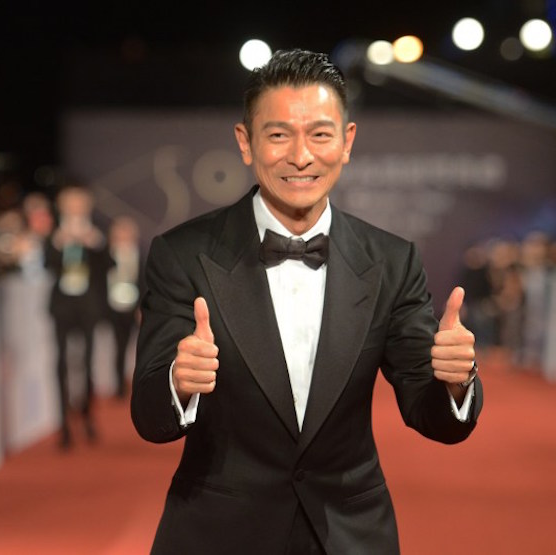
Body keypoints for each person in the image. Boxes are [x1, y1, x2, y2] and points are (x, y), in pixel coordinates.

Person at [130, 48, 483, 554]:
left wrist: (454, 382)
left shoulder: (392, 260)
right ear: (245, 142)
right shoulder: (183, 254)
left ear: (347, 141)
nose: (301, 156)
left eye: (320, 134)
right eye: (278, 135)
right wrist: (178, 383)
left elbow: (433, 414)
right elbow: (149, 416)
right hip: (220, 534)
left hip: (349, 535)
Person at [45, 184, 114, 449]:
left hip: (88, 306)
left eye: (79, 203)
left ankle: (87, 415)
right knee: (61, 363)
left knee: (87, 361)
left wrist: (95, 243)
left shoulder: (96, 231)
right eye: (70, 203)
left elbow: (110, 265)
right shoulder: (54, 233)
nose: (75, 207)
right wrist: (58, 242)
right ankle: (63, 424)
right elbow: (45, 264)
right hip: (62, 306)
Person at [104, 215, 145, 398]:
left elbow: (144, 283)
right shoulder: (107, 255)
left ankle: (139, 383)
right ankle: (119, 385)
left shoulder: (140, 256)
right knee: (118, 347)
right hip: (113, 308)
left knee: (139, 348)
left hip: (134, 309)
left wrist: (142, 307)